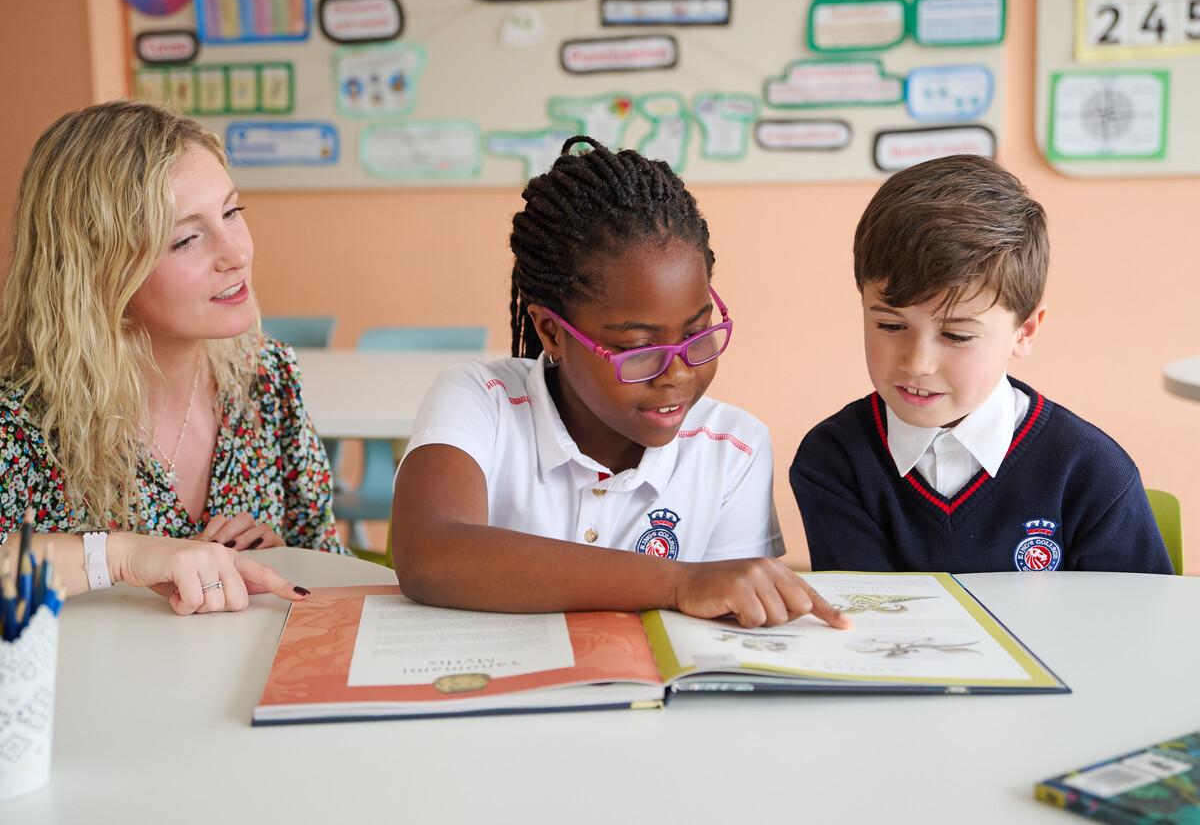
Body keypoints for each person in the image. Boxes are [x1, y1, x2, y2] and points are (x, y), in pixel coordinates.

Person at [391, 137, 849, 629]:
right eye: (639, 349)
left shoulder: (733, 449)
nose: (677, 373)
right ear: (552, 332)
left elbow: (732, 627)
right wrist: (680, 582)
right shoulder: (481, 401)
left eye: (698, 334)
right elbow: (430, 553)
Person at [0, 100, 343, 613]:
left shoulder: (266, 377)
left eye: (231, 213)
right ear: (97, 268)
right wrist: (119, 555)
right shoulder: (20, 419)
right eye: (185, 239)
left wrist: (284, 559)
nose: (236, 254)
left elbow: (326, 562)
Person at [790, 155, 1172, 574]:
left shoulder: (1091, 470)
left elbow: (1139, 626)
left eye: (956, 335)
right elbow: (866, 626)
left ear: (1024, 332)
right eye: (889, 324)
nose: (917, 363)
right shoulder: (834, 460)